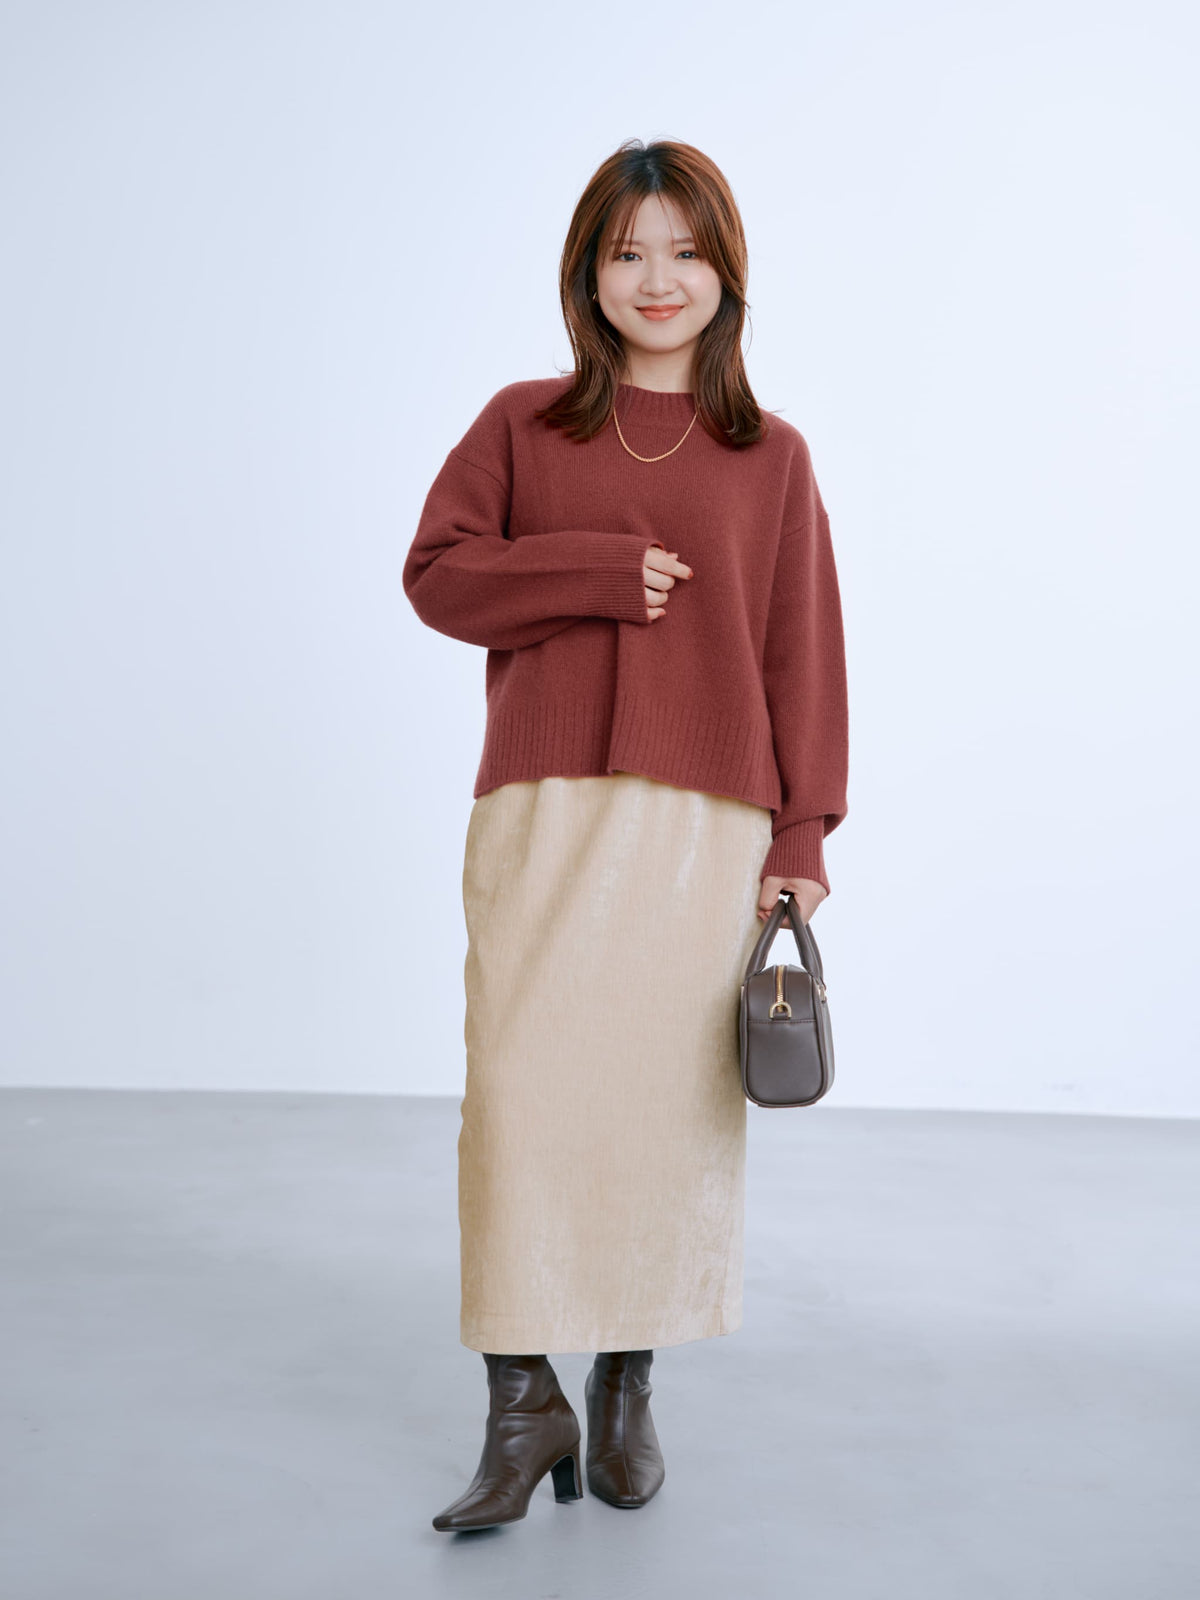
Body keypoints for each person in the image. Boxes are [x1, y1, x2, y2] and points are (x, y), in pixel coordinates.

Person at [402, 137, 850, 1532]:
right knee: (518, 1102)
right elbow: (439, 577)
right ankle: (519, 1399)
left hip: (705, 825)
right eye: (628, 252)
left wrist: (802, 837)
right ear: (587, 275)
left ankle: (626, 1388)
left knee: (664, 1113)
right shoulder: (521, 425)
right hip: (543, 805)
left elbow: (801, 657)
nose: (659, 279)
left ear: (726, 273)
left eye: (686, 251)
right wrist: (596, 573)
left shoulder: (770, 456)